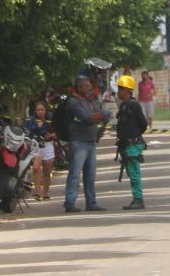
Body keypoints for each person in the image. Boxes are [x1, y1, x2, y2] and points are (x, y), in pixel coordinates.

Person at [63, 73, 108, 213]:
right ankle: (70, 203)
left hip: (91, 141)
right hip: (78, 142)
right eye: (87, 86)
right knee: (75, 173)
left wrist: (95, 117)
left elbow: (105, 114)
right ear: (80, 87)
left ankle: (91, 202)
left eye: (90, 86)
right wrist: (96, 117)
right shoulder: (73, 102)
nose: (90, 89)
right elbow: (85, 117)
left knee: (90, 175)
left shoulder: (90, 100)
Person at [115, 74, 149, 210]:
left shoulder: (134, 105)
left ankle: (138, 199)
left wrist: (133, 135)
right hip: (125, 144)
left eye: (121, 89)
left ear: (128, 90)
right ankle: (136, 198)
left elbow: (143, 124)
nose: (119, 92)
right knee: (131, 172)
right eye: (118, 88)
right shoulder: (123, 106)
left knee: (134, 172)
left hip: (133, 144)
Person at [25, 102, 56, 201]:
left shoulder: (50, 121)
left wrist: (50, 135)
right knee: (36, 168)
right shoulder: (30, 120)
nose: (40, 112)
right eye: (38, 110)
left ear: (45, 111)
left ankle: (45, 193)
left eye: (42, 110)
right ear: (35, 111)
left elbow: (58, 133)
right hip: (36, 146)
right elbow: (26, 131)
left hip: (47, 146)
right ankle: (37, 192)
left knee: (47, 171)